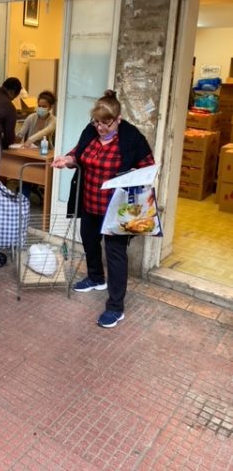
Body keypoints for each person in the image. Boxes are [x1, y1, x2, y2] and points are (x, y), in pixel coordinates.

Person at [52, 90, 154, 329]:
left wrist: (132, 175)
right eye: (96, 122)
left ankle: (115, 308)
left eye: (106, 123)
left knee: (115, 254)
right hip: (90, 202)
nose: (100, 127)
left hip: (116, 209)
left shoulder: (131, 137)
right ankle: (96, 278)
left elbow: (148, 167)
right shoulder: (91, 131)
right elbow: (78, 154)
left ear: (118, 119)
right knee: (89, 240)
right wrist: (67, 160)